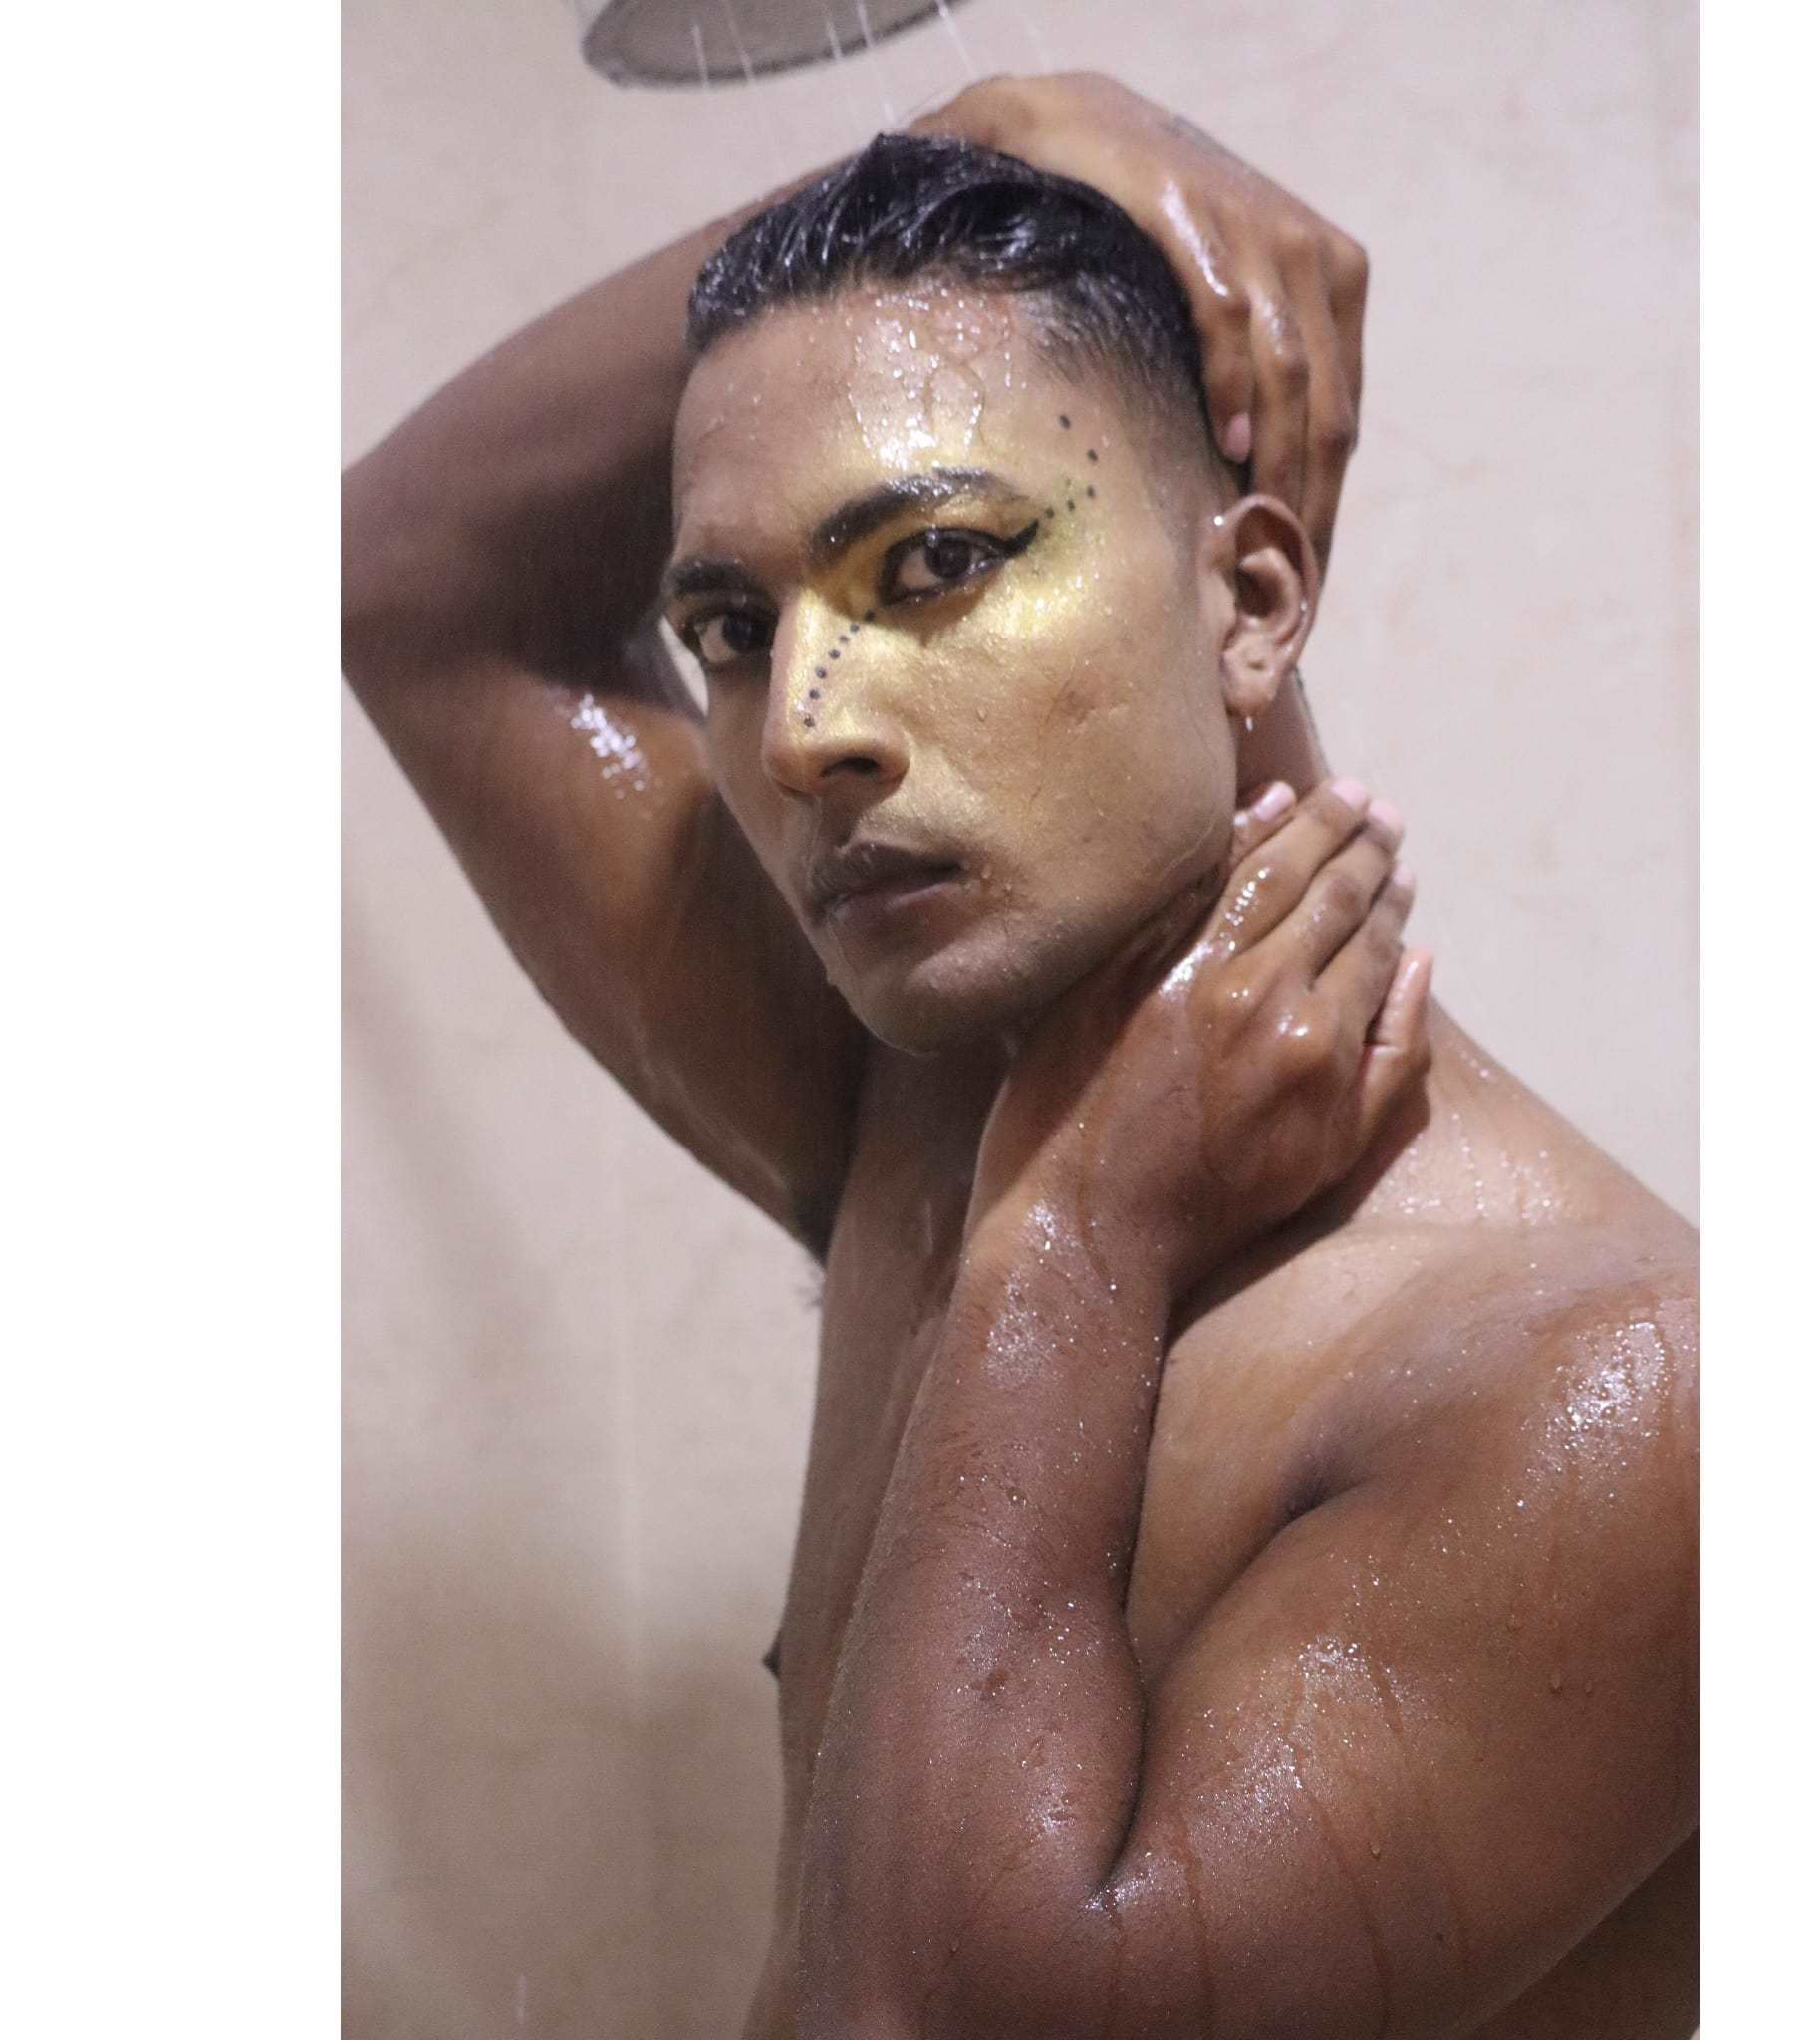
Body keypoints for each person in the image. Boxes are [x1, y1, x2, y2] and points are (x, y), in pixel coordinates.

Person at [343, 73, 1696, 2039]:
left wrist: (1074, 1238)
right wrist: (975, 140)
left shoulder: (1618, 1388)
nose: (801, 728)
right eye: (730, 624)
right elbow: (403, 582)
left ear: (1249, 600)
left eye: (932, 565)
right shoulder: (914, 1109)